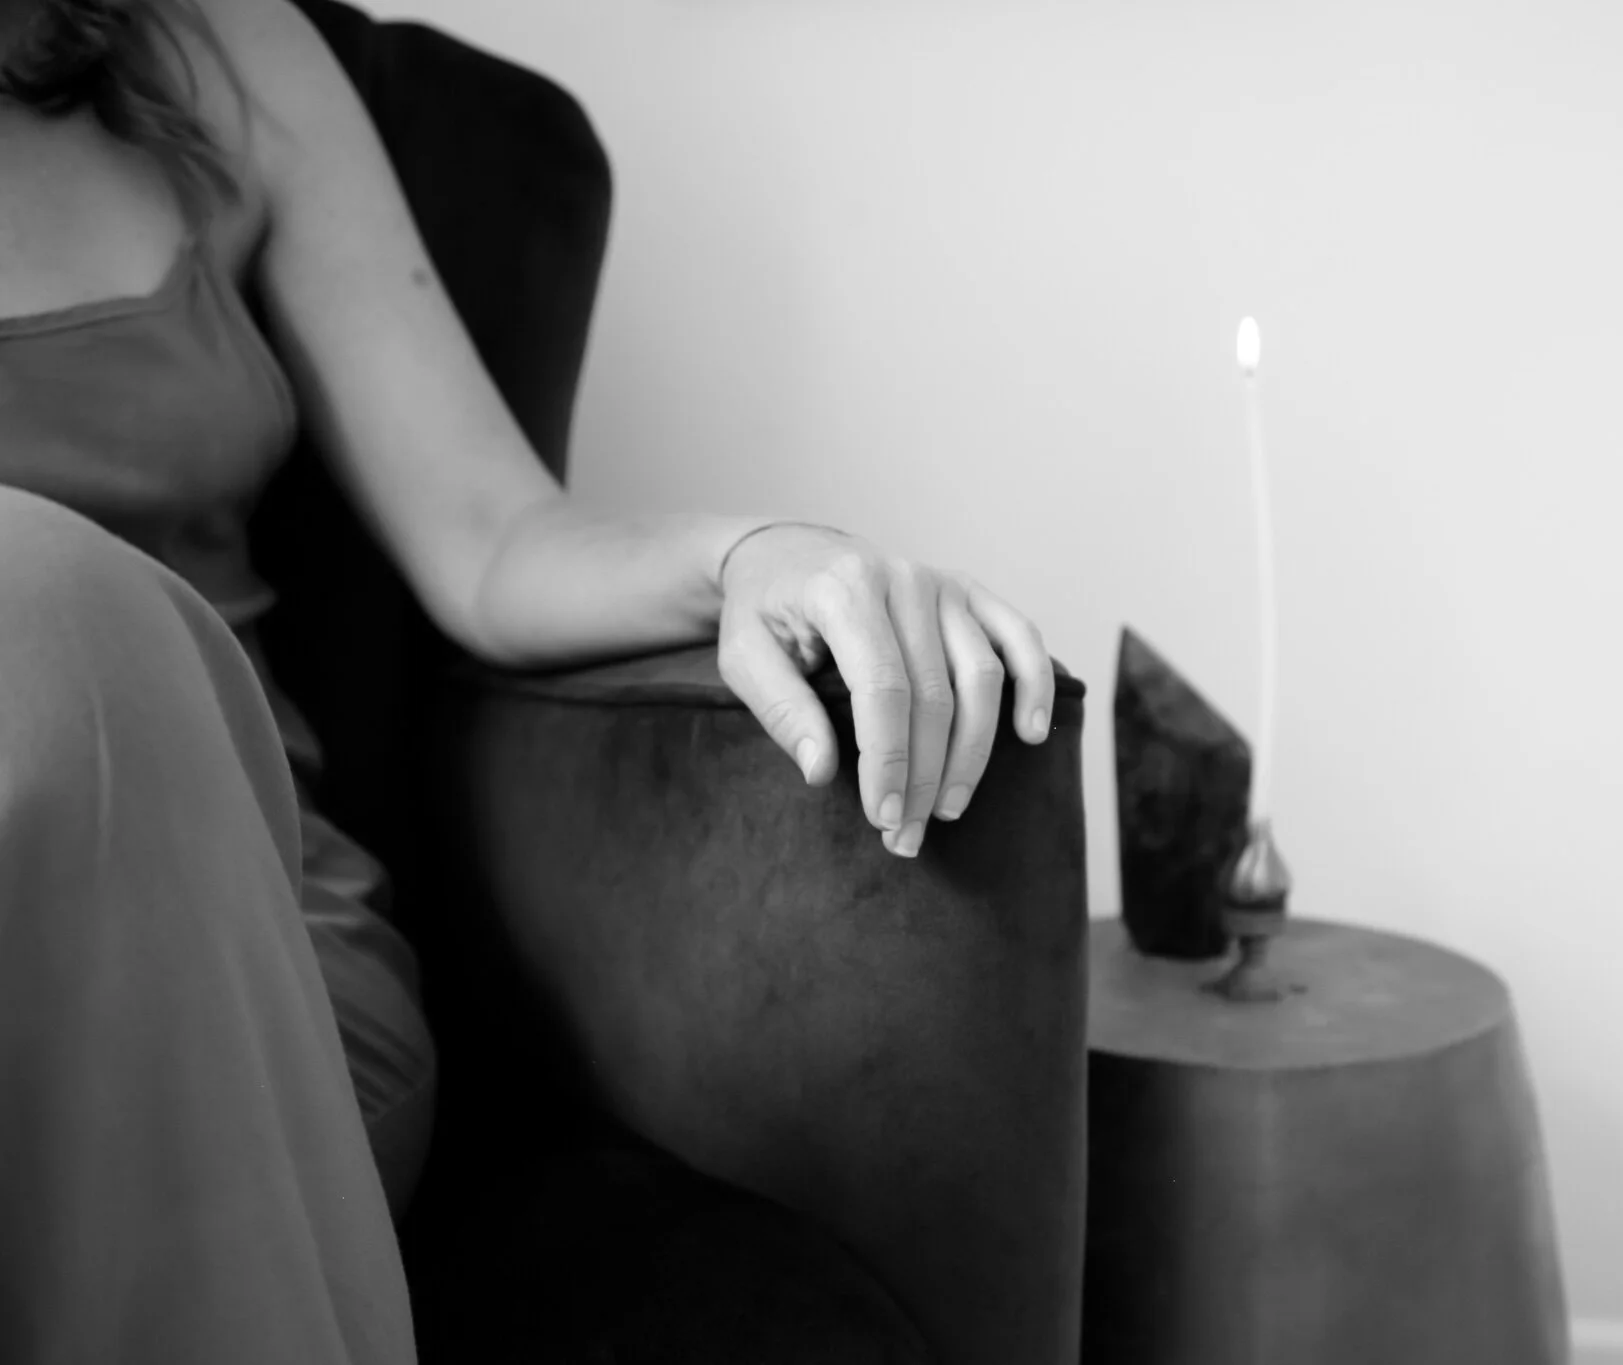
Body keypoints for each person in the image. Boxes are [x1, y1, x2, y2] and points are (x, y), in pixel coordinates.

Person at [0, 0, 1055, 1358]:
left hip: (244, 975)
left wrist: (754, 553)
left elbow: (490, 536)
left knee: (51, 596)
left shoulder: (211, 45)